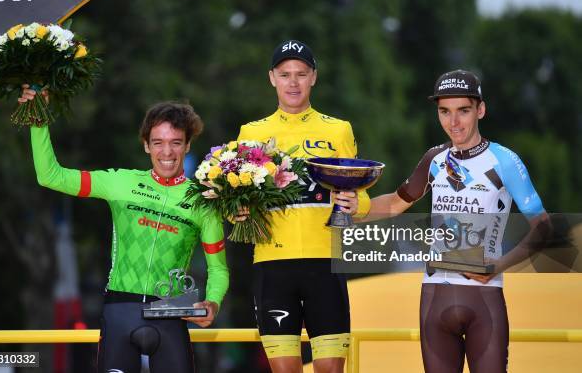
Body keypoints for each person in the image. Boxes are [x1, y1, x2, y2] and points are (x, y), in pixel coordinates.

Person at [351, 70, 550, 373]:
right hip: (435, 298)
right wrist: (353, 210)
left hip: (484, 299)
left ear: (480, 110)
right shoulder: (435, 159)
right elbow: (394, 203)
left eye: (463, 111)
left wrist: (499, 265)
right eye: (444, 111)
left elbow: (545, 228)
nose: (453, 122)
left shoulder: (505, 160)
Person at [18, 87, 229, 373]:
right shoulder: (120, 183)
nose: (166, 152)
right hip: (120, 313)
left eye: (176, 143)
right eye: (158, 142)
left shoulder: (204, 202)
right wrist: (38, 121)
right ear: (145, 145)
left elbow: (219, 269)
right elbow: (49, 176)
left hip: (170, 316)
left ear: (188, 145)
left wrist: (212, 303)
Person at [235, 40, 369, 373]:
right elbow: (234, 199)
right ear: (272, 78)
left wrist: (356, 204)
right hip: (272, 264)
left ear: (314, 78)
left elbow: (361, 193)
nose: (293, 82)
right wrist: (234, 210)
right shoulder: (251, 133)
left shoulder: (338, 129)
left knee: (330, 370)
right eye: (285, 75)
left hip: (326, 262)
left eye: (301, 74)